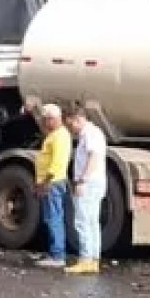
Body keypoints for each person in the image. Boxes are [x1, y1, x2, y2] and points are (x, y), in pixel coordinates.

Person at [63, 106, 108, 274]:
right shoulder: (95, 133)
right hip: (96, 182)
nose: (71, 129)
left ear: (78, 119)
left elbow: (93, 156)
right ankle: (93, 260)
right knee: (92, 222)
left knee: (82, 221)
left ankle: (85, 259)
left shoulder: (89, 134)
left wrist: (82, 180)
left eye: (71, 124)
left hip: (88, 183)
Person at [33, 103, 73, 268]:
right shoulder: (56, 135)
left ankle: (57, 255)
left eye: (45, 120)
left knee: (53, 218)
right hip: (52, 182)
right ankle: (54, 252)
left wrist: (45, 182)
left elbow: (57, 162)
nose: (43, 124)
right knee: (52, 217)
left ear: (51, 119)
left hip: (52, 183)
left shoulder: (59, 136)